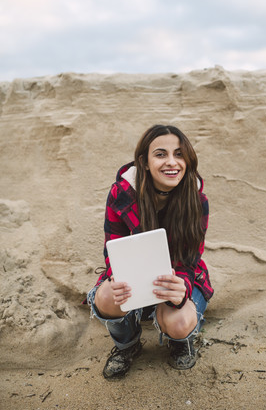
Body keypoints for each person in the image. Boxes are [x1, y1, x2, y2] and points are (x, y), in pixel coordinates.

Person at [87, 124, 213, 379]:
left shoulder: (197, 201)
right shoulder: (121, 195)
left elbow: (190, 260)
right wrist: (116, 280)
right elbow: (113, 249)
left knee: (177, 321)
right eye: (160, 154)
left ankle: (182, 342)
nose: (172, 162)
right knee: (107, 298)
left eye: (179, 154)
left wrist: (181, 290)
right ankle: (127, 346)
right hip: (136, 275)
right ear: (144, 162)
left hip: (180, 275)